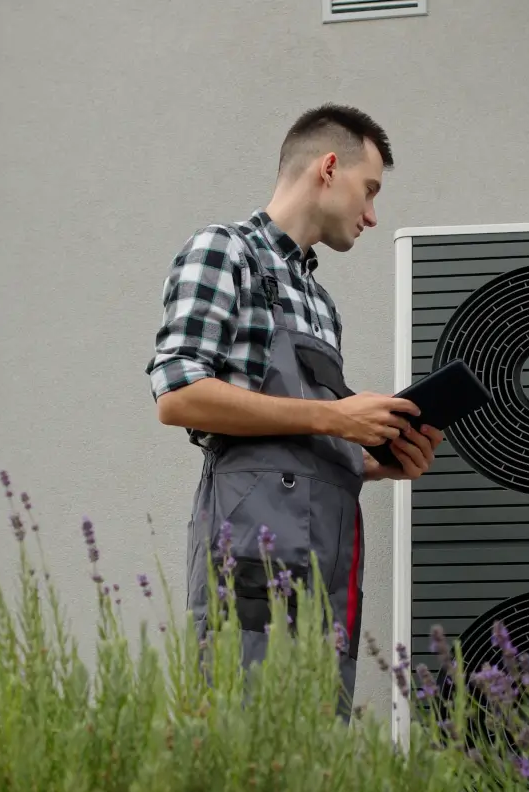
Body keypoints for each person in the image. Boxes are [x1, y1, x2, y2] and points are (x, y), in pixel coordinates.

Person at [144, 104, 443, 720]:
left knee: (313, 750)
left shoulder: (320, 302)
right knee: (244, 736)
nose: (372, 215)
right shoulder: (226, 251)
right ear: (329, 168)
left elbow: (297, 434)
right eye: (370, 190)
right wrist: (335, 418)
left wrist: (373, 459)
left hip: (326, 558)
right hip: (251, 547)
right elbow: (177, 394)